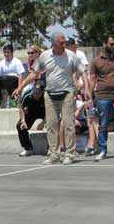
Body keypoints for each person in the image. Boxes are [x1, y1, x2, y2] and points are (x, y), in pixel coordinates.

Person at [13, 32, 90, 165]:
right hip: (50, 94)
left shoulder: (71, 56)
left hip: (67, 93)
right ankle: (54, 154)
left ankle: (69, 154)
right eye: (61, 43)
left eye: (65, 42)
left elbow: (83, 72)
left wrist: (87, 89)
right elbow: (33, 74)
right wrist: (20, 87)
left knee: (68, 124)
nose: (64, 45)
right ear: (54, 43)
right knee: (51, 125)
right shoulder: (45, 56)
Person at [90, 36, 114, 161]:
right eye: (111, 44)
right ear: (104, 44)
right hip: (102, 96)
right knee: (103, 124)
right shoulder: (96, 60)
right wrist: (89, 95)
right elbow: (93, 78)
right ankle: (102, 150)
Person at [16, 81, 46, 156]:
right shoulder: (27, 95)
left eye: (38, 93)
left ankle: (51, 149)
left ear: (42, 92)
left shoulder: (46, 96)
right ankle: (28, 148)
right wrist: (23, 121)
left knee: (53, 123)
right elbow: (21, 108)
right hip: (31, 112)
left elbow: (50, 111)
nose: (35, 94)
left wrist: (43, 123)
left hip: (44, 113)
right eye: (34, 91)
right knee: (20, 126)